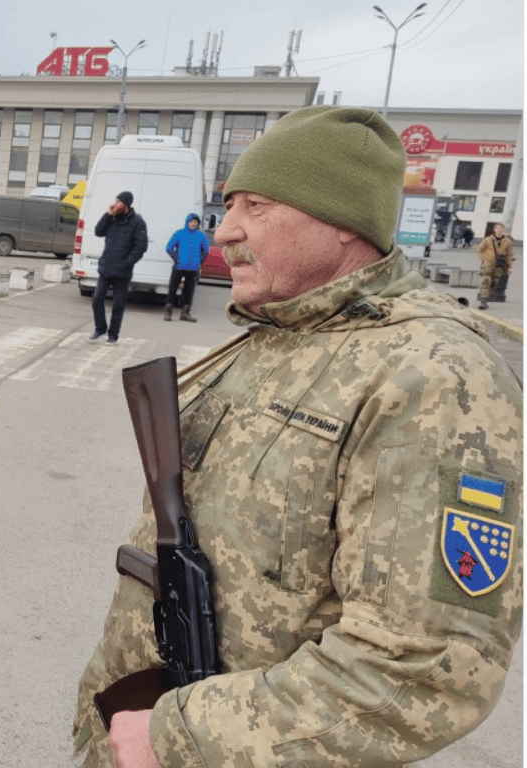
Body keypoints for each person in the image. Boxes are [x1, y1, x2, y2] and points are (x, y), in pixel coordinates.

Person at [74, 106, 523, 768]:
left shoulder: (435, 377)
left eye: (255, 206)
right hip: (148, 723)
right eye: (229, 205)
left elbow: (425, 667)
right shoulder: (282, 331)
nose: (226, 230)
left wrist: (178, 736)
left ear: (343, 223)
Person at [90, 191, 148, 343]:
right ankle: (100, 328)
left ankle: (113, 335)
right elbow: (98, 232)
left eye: (118, 202)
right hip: (106, 268)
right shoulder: (112, 218)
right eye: (114, 201)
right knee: (97, 299)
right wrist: (108, 214)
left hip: (122, 271)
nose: (114, 204)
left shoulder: (137, 222)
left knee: (118, 305)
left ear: (126, 205)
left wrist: (126, 263)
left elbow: (140, 247)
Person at [162, 213, 207, 322]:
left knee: (189, 290)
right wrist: (177, 260)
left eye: (195, 222)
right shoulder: (180, 233)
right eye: (191, 222)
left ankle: (185, 314)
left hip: (193, 268)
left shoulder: (201, 235)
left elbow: (205, 250)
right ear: (187, 222)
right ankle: (168, 312)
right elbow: (169, 247)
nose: (193, 224)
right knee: (173, 288)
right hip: (179, 266)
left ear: (198, 224)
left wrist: (199, 262)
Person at [476, 222, 512, 309]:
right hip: (487, 265)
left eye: (501, 228)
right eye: (497, 228)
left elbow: (509, 255)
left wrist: (510, 267)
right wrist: (484, 260)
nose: (499, 230)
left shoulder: (507, 241)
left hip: (499, 266)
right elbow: (479, 251)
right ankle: (483, 301)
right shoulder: (488, 239)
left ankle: (486, 298)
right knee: (486, 281)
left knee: (494, 283)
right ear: (494, 230)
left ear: (503, 230)